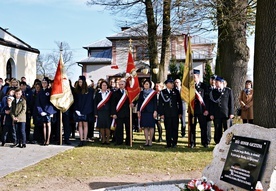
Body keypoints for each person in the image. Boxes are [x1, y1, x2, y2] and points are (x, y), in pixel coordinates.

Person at [209, 76, 234, 144]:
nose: (216, 83)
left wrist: (231, 113)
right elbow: (212, 104)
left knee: (227, 129)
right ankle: (218, 142)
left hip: (226, 114)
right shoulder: (213, 92)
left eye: (217, 82)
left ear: (221, 83)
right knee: (217, 129)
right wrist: (211, 113)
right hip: (217, 114)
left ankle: (228, 142)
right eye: (215, 82)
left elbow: (231, 102)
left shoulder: (228, 91)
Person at [158, 78, 182, 148]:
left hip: (175, 113)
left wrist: (180, 112)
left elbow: (179, 103)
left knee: (175, 128)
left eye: (172, 83)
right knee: (168, 128)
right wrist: (161, 114)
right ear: (167, 84)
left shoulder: (176, 91)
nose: (172, 84)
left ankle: (174, 142)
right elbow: (160, 104)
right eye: (171, 83)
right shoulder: (163, 92)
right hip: (167, 113)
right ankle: (168, 142)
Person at [188, 70, 209, 148]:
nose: (193, 79)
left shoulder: (204, 86)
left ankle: (204, 142)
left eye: (194, 77)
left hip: (202, 110)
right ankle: (192, 142)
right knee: (192, 127)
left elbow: (206, 99)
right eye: (192, 77)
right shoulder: (190, 87)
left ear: (198, 76)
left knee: (203, 127)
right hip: (193, 110)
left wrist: (206, 109)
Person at [73, 75, 94, 146]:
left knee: (85, 124)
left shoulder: (89, 91)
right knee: (80, 125)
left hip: (86, 110)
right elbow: (75, 101)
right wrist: (76, 110)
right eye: (79, 82)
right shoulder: (76, 91)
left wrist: (85, 111)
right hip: (78, 110)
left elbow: (89, 102)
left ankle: (85, 139)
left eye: (81, 82)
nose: (80, 83)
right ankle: (81, 139)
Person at [36, 77, 56, 146]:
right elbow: (38, 103)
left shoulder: (50, 91)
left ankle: (48, 140)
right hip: (43, 112)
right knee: (44, 125)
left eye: (45, 83)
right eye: (43, 83)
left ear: (48, 84)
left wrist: (51, 112)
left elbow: (52, 102)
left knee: (48, 125)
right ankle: (44, 140)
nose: (44, 84)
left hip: (49, 111)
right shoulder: (40, 92)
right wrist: (40, 111)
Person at [137, 79, 157, 146]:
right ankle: (146, 141)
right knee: (145, 127)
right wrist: (138, 111)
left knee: (151, 127)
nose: (146, 85)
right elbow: (139, 102)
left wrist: (155, 111)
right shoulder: (141, 93)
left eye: (147, 84)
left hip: (151, 111)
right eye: (145, 84)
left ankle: (150, 140)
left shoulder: (153, 93)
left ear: (150, 85)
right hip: (143, 111)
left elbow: (155, 103)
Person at [111, 79, 131, 146]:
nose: (121, 86)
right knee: (119, 128)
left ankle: (128, 141)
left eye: (122, 84)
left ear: (125, 85)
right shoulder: (115, 93)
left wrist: (133, 104)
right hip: (119, 113)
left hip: (128, 113)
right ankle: (119, 141)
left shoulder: (129, 92)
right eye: (119, 85)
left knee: (128, 128)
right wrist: (114, 113)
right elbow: (113, 104)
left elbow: (133, 99)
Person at [94, 80, 112, 145]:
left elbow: (112, 104)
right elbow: (95, 103)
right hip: (100, 111)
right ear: (101, 86)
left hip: (108, 112)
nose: (104, 86)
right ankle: (103, 138)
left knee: (107, 126)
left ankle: (107, 139)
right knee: (101, 126)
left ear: (107, 86)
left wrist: (112, 113)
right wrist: (95, 113)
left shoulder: (110, 93)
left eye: (105, 85)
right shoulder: (97, 93)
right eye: (103, 85)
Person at [206, 74, 216, 145]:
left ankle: (217, 140)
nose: (213, 81)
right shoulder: (206, 88)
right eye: (211, 79)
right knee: (207, 127)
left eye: (214, 79)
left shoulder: (218, 89)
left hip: (216, 110)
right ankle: (208, 140)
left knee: (217, 126)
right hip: (208, 110)